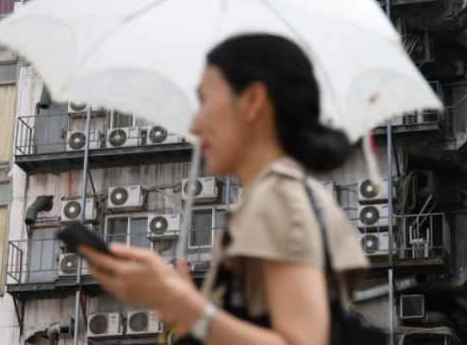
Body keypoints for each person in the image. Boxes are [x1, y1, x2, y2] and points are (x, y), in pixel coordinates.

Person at [80, 34, 370, 345]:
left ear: (252, 100)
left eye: (204, 100)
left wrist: (179, 301)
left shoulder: (278, 197)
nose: (193, 125)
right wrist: (189, 311)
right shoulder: (277, 194)